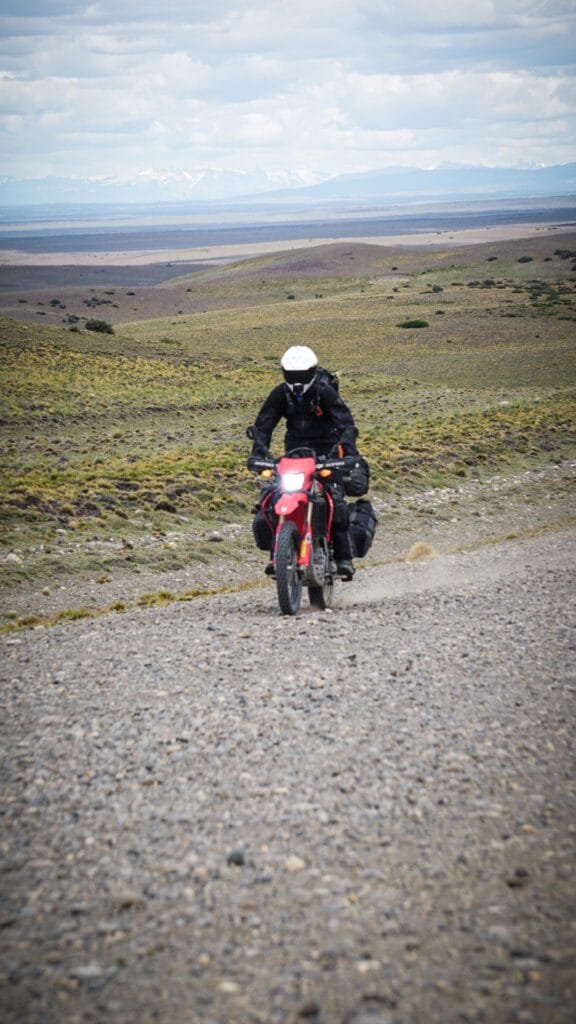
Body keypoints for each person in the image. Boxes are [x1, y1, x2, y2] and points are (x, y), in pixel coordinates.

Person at [248, 345, 359, 580]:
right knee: (273, 497)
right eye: (291, 375)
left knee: (335, 498)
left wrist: (347, 452)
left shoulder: (325, 392)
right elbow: (264, 424)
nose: (296, 381)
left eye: (301, 375)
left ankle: (344, 558)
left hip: (326, 451)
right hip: (295, 453)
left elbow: (346, 423)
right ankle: (277, 555)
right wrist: (258, 451)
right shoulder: (281, 394)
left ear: (311, 372)